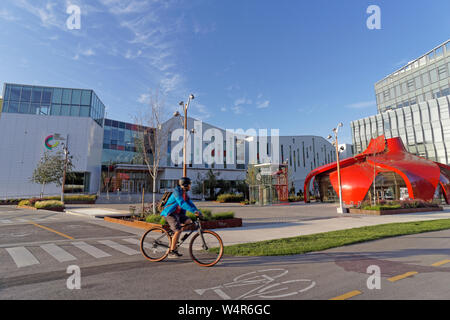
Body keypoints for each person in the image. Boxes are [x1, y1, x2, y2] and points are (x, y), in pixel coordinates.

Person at [160, 177, 202, 258]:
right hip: (170, 213)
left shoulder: (185, 194)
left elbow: (190, 203)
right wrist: (193, 211)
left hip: (178, 214)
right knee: (178, 230)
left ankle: (176, 238)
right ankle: (172, 252)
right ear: (185, 185)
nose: (190, 186)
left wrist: (198, 211)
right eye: (189, 185)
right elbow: (182, 203)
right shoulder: (177, 192)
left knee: (189, 221)